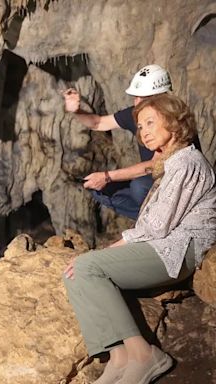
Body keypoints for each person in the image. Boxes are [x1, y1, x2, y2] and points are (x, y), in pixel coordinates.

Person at [62, 93, 216, 384]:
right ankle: (119, 359)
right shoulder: (170, 163)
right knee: (74, 274)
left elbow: (156, 227)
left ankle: (145, 356)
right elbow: (151, 223)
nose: (143, 131)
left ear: (174, 124)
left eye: (150, 123)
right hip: (162, 245)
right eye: (140, 126)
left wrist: (108, 249)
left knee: (87, 267)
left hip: (179, 249)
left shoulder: (186, 163)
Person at [63, 64, 170, 220]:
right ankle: (149, 222)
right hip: (154, 182)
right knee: (100, 189)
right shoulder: (136, 113)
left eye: (144, 98)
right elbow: (97, 123)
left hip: (175, 182)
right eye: (136, 97)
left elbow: (155, 165)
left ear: (161, 97)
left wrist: (107, 176)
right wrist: (76, 111)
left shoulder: (172, 121)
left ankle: (164, 223)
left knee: (139, 187)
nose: (137, 102)